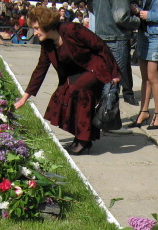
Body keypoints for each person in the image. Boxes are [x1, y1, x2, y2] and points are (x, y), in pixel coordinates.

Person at [14, 6, 120, 155]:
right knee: (62, 93)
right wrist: (24, 98)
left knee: (76, 90)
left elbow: (100, 46)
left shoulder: (72, 29)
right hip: (78, 73)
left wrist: (115, 73)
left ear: (46, 24)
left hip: (96, 68)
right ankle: (80, 136)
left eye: (37, 28)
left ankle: (84, 140)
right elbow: (40, 69)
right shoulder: (47, 43)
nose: (35, 32)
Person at [128, 0, 158, 130]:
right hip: (143, 33)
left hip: (157, 35)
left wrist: (150, 15)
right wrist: (137, 10)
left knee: (153, 77)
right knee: (145, 77)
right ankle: (144, 111)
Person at [90, 0, 140, 106]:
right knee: (113, 81)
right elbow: (121, 17)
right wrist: (138, 21)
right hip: (116, 37)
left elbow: (92, 7)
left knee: (105, 79)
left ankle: (102, 110)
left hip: (102, 34)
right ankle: (106, 112)